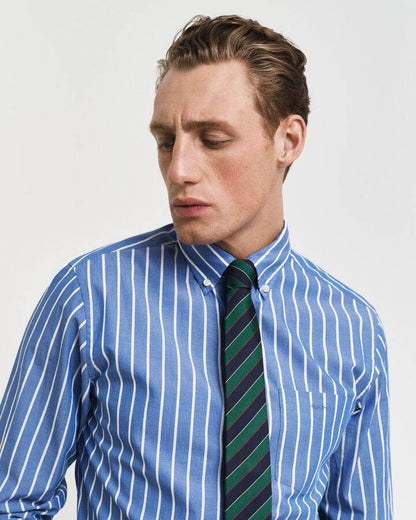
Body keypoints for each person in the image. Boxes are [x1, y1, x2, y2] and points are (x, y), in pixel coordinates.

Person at [0, 14, 392, 520]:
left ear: (288, 140)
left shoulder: (352, 329)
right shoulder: (92, 297)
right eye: (167, 141)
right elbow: (12, 501)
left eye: (212, 139)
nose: (179, 170)